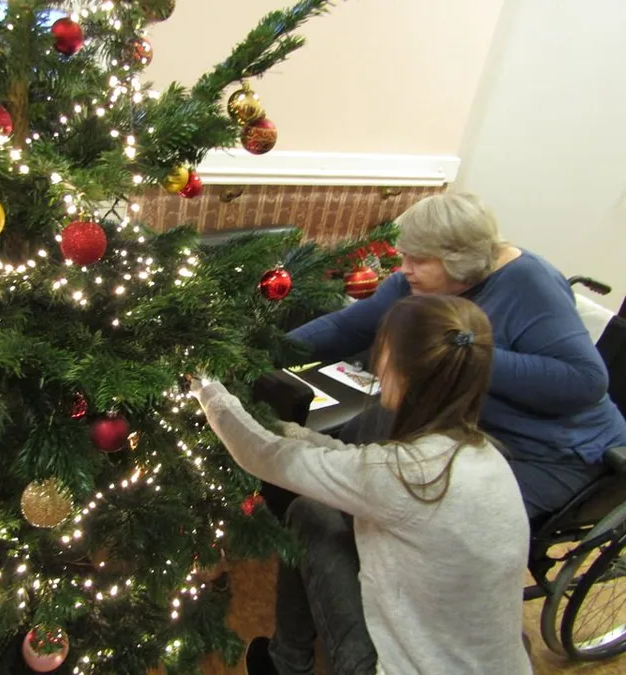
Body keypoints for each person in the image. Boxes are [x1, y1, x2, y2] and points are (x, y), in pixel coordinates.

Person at [192, 294, 532, 675]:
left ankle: (286, 664)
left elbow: (261, 455)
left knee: (307, 514)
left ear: (398, 369)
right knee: (317, 510)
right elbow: (350, 461)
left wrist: (205, 384)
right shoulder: (482, 455)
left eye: (380, 348)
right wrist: (286, 429)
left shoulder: (406, 477)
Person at [291, 192, 626, 519]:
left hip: (549, 452)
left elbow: (586, 382)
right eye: (403, 256)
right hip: (459, 426)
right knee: (359, 435)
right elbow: (345, 329)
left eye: (418, 260)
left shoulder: (531, 283)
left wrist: (462, 350)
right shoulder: (415, 282)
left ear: (459, 261)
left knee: (436, 521)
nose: (404, 270)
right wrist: (259, 353)